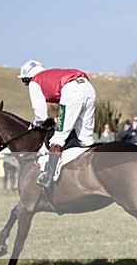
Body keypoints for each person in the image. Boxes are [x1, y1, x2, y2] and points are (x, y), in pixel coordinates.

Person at [18, 59, 96, 188]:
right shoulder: (51, 75)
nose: (26, 85)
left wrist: (35, 124)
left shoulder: (35, 81)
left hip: (71, 91)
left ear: (27, 78)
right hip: (88, 88)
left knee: (58, 138)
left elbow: (41, 114)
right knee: (85, 139)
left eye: (24, 82)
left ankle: (49, 177)